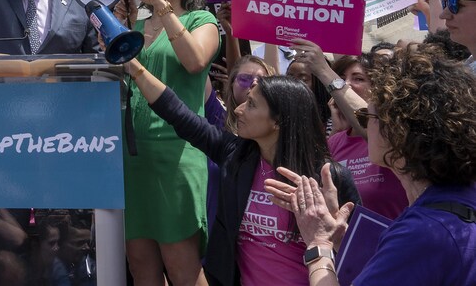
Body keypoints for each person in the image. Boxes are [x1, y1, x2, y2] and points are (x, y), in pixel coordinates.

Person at [123, 56, 359, 286]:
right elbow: (178, 114)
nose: (238, 110)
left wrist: (335, 237)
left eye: (252, 104)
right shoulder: (235, 157)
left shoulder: (330, 179)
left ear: (278, 120)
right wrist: (134, 67)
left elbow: (361, 254)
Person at [269, 48, 476, 284]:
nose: (362, 126)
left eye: (368, 117)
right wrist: (342, 238)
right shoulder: (458, 200)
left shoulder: (423, 233)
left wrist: (319, 245)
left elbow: (413, 251)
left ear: (398, 131)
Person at [116, 0, 221, 286]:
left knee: (182, 268)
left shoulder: (201, 19)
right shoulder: (135, 28)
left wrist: (160, 3)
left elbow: (195, 61)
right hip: (132, 157)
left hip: (176, 153)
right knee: (140, 267)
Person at [289, 41, 408, 219]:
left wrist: (323, 70)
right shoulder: (335, 140)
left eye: (358, 78)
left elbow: (373, 128)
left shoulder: (393, 134)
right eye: (341, 78)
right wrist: (336, 133)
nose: (347, 84)